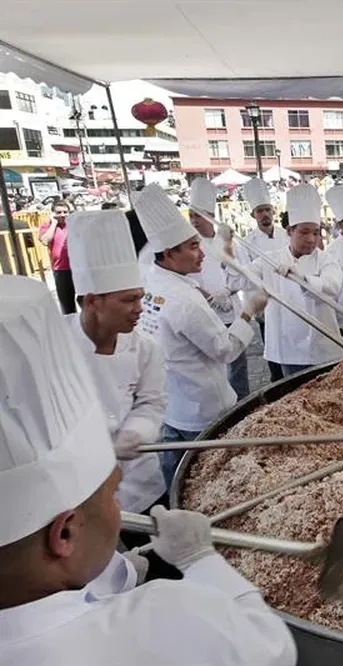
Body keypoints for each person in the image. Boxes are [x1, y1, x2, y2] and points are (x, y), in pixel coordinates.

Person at [0, 276, 296, 666]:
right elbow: (270, 646)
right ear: (65, 532)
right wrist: (200, 560)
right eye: (110, 494)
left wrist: (110, 578)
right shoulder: (159, 622)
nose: (139, 308)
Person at [135, 184, 264, 486]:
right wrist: (250, 311)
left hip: (173, 403)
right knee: (210, 480)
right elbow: (225, 350)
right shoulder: (184, 300)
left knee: (177, 474)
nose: (200, 254)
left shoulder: (152, 281)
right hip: (204, 408)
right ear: (168, 253)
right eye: (193, 247)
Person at [64, 209, 167, 523]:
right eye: (128, 300)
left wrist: (136, 433)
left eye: (140, 298)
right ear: (93, 300)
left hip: (142, 484)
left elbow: (152, 402)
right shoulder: (54, 347)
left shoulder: (145, 347)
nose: (139, 309)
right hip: (83, 491)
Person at [245, 184, 343, 378]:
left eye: (316, 233)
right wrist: (225, 249)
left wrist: (304, 278)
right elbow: (242, 277)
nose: (311, 239)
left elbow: (333, 287)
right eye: (304, 232)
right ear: (290, 231)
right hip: (289, 351)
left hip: (324, 348)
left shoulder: (326, 260)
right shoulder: (270, 259)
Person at [187, 177, 249, 400]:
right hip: (205, 315)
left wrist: (228, 293)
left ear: (211, 217)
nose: (194, 221)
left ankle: (243, 404)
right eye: (191, 215)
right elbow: (187, 281)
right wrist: (211, 297)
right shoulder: (189, 247)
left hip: (232, 312)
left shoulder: (227, 241)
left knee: (238, 367)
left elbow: (243, 276)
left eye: (199, 215)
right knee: (215, 368)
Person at [236, 176, 287, 383]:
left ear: (273, 211)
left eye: (267, 209)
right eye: (260, 211)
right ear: (253, 215)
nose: (265, 214)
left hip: (291, 303)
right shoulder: (246, 244)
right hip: (267, 309)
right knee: (274, 355)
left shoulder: (287, 235)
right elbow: (247, 278)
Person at [38, 199, 75, 314]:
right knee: (67, 305)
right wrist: (53, 224)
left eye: (65, 212)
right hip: (61, 270)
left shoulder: (74, 224)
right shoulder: (47, 226)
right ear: (53, 213)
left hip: (77, 267)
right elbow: (45, 240)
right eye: (58, 212)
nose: (62, 215)